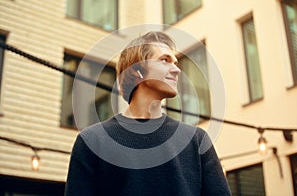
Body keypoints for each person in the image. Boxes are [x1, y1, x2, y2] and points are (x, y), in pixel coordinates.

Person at [64, 31, 231, 196]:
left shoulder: (197, 141)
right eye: (165, 60)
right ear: (137, 71)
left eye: (175, 63)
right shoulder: (92, 141)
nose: (177, 70)